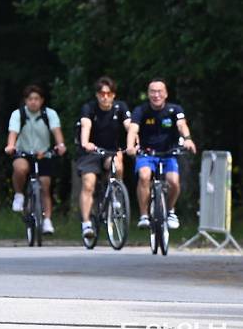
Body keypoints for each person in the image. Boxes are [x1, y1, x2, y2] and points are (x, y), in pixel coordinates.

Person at [126, 78, 197, 230]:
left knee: (173, 181)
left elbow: (181, 124)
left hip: (168, 153)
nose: (156, 95)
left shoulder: (175, 109)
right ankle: (144, 215)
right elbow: (133, 129)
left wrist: (188, 139)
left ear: (165, 94)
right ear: (148, 94)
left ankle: (170, 211)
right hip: (146, 153)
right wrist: (130, 146)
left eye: (159, 91)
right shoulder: (141, 110)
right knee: (144, 176)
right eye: (152, 91)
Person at [4, 85, 66, 234]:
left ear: (42, 100)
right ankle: (19, 195)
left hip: (43, 154)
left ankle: (47, 221)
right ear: (26, 100)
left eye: (36, 99)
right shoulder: (18, 114)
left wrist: (61, 145)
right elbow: (13, 133)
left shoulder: (49, 114)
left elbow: (57, 133)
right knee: (20, 168)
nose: (33, 102)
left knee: (45, 186)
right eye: (30, 99)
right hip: (23, 152)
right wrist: (10, 146)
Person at [76, 77, 131, 238]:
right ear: (97, 95)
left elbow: (129, 125)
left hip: (111, 151)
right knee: (88, 184)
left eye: (108, 93)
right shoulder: (89, 108)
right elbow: (86, 125)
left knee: (117, 164)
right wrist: (86, 142)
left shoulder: (120, 107)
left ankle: (116, 194)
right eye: (101, 93)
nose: (105, 97)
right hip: (90, 152)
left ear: (113, 95)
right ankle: (86, 224)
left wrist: (134, 142)